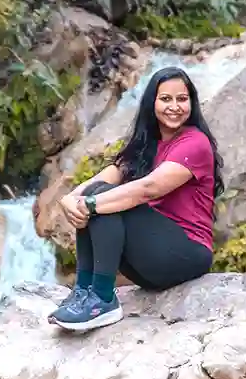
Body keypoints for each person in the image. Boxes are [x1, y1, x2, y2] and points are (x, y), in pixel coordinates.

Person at [49, 66, 223, 333]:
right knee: (98, 190)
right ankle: (84, 292)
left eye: (182, 99)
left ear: (192, 102)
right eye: (166, 99)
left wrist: (90, 204)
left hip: (186, 254)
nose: (174, 106)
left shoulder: (195, 143)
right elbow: (107, 177)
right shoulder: (147, 144)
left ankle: (103, 299)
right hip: (151, 259)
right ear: (151, 102)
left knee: (104, 199)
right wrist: (71, 199)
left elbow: (148, 188)